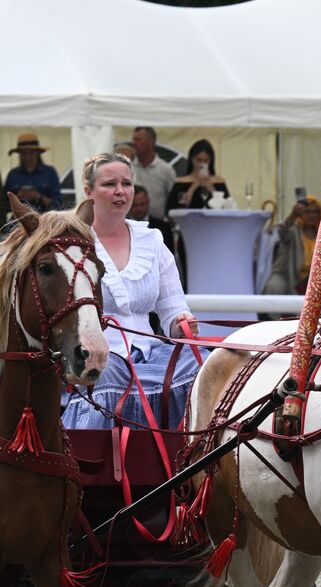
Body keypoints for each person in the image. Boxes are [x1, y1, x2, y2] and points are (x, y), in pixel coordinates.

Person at [60, 153, 199, 430]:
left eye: (127, 183)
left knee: (202, 364)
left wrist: (181, 324)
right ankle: (94, 462)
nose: (120, 191)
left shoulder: (153, 240)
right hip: (96, 352)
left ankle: (190, 456)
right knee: (102, 373)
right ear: (88, 191)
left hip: (149, 350)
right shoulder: (72, 242)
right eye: (109, 184)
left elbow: (173, 308)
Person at [262, 195, 321, 295]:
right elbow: (282, 233)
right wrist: (293, 215)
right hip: (289, 276)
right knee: (274, 286)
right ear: (300, 214)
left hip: (316, 279)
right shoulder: (293, 230)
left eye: (314, 212)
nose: (311, 215)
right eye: (307, 212)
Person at [167, 139, 230, 211]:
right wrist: (193, 186)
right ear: (192, 159)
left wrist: (211, 188)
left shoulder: (219, 181)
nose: (201, 164)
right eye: (198, 160)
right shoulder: (180, 181)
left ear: (210, 161)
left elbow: (227, 207)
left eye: (206, 160)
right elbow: (173, 209)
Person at [3, 133, 61, 210]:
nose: (28, 157)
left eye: (31, 153)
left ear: (37, 153)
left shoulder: (50, 172)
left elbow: (58, 204)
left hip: (44, 219)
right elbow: (4, 205)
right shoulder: (13, 174)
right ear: (20, 154)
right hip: (19, 220)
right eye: (24, 153)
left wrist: (38, 197)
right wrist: (17, 198)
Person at [130, 126, 175, 220]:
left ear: (150, 142)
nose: (133, 143)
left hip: (159, 226)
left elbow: (173, 200)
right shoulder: (129, 168)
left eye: (138, 140)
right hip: (132, 225)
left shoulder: (165, 170)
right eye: (133, 139)